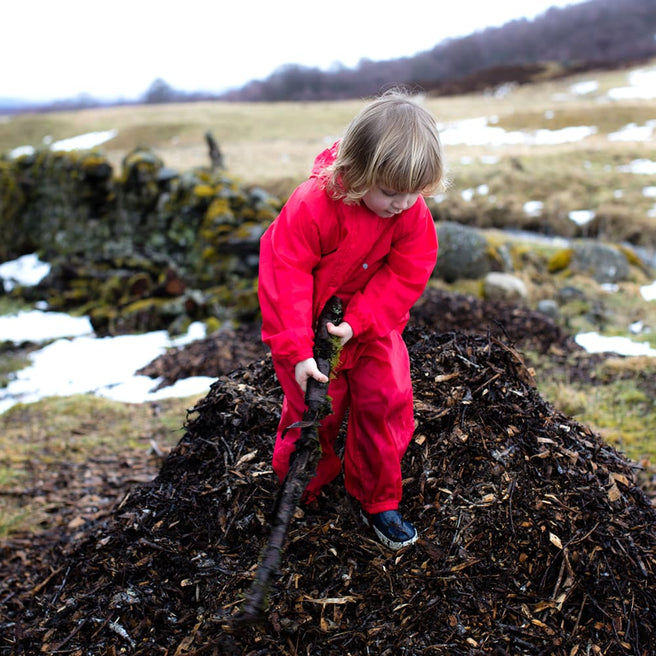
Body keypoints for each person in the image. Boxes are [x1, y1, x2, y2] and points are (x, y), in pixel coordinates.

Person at [257, 89, 445, 550]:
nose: (402, 204)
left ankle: (379, 499)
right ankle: (304, 486)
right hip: (310, 337)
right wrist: (298, 350)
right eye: (390, 192)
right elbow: (285, 272)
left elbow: (408, 271)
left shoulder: (410, 212)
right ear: (358, 172)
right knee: (314, 412)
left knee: (388, 401)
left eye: (413, 193)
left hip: (371, 329)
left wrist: (361, 320)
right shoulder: (313, 205)